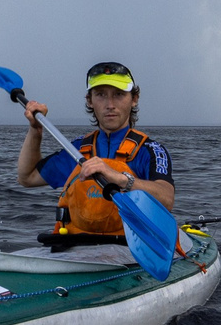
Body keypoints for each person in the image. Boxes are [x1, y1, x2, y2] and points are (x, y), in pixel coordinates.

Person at [14, 61, 177, 250]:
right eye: (101, 95)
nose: (110, 105)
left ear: (134, 99)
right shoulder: (76, 150)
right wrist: (36, 130)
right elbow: (27, 177)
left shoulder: (150, 150)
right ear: (90, 100)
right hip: (75, 249)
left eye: (119, 94)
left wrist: (121, 179)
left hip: (130, 251)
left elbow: (166, 199)